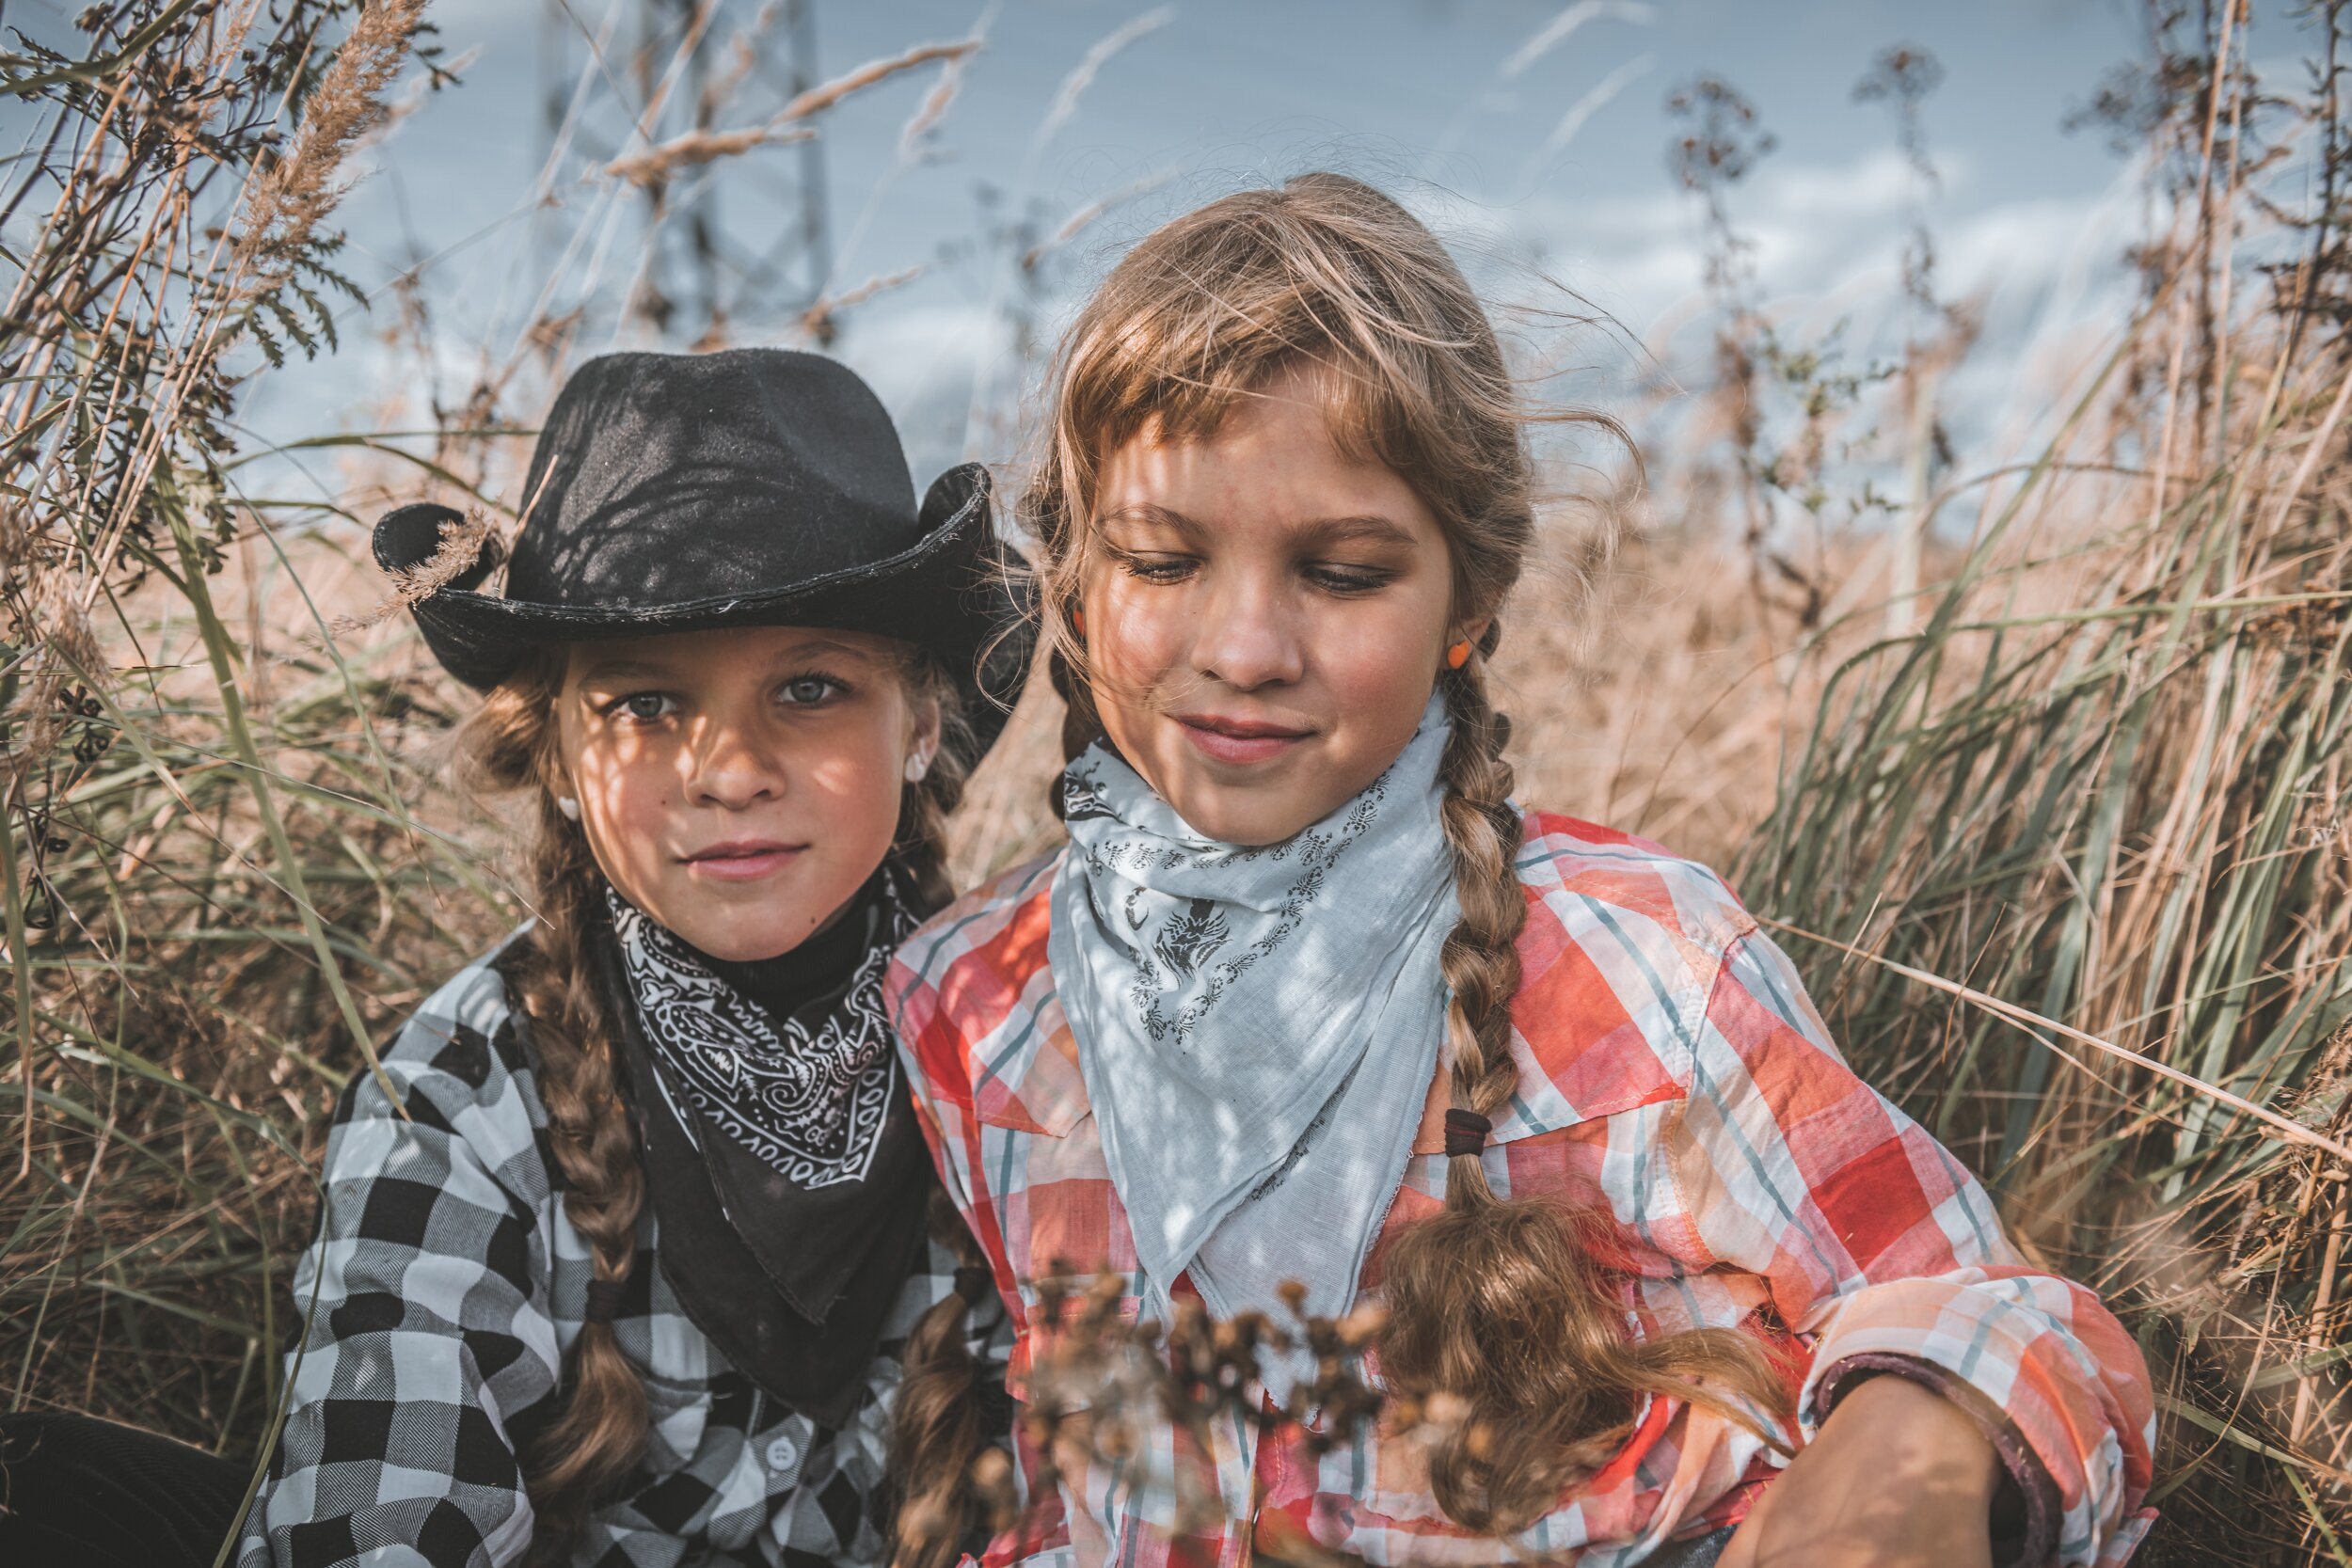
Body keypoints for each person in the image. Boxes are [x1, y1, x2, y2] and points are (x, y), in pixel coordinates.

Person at [882, 177, 2157, 1568]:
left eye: (1344, 573)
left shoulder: (1632, 961)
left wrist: (1908, 1446)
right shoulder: (971, 1000)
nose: (1245, 646)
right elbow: (1053, 1445)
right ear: (1072, 589)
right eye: (1161, 559)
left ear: (1467, 606)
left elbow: (1989, 1307)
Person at [0, 349, 1029, 1568]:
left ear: (920, 725)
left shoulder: (1037, 1063)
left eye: (809, 686)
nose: (728, 769)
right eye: (645, 705)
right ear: (551, 751)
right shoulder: (451, 1105)